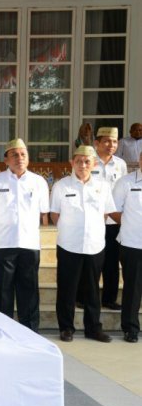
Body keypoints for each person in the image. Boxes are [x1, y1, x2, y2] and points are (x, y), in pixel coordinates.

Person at [0, 138, 49, 332]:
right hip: (3, 244)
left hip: (29, 244)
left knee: (29, 290)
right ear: (6, 160)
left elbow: (44, 212)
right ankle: (1, 329)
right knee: (2, 291)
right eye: (14, 155)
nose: (19, 158)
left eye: (23, 154)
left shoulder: (39, 182)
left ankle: (29, 330)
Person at [51, 145, 115, 343]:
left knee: (93, 289)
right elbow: (55, 215)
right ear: (72, 163)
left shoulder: (103, 186)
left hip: (95, 245)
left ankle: (93, 328)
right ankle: (66, 328)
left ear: (94, 164)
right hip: (69, 244)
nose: (83, 164)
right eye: (78, 161)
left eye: (87, 161)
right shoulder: (62, 186)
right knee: (67, 289)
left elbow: (105, 214)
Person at [91, 127, 127, 310]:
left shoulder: (120, 164)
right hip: (92, 220)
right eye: (106, 141)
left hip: (113, 222)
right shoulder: (88, 161)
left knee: (112, 261)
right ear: (96, 143)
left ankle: (109, 298)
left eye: (114, 142)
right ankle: (85, 297)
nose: (110, 145)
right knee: (90, 262)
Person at [111, 149, 142, 343]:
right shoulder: (126, 182)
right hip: (132, 243)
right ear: (140, 159)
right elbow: (114, 211)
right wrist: (131, 224)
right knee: (132, 288)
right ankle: (130, 328)